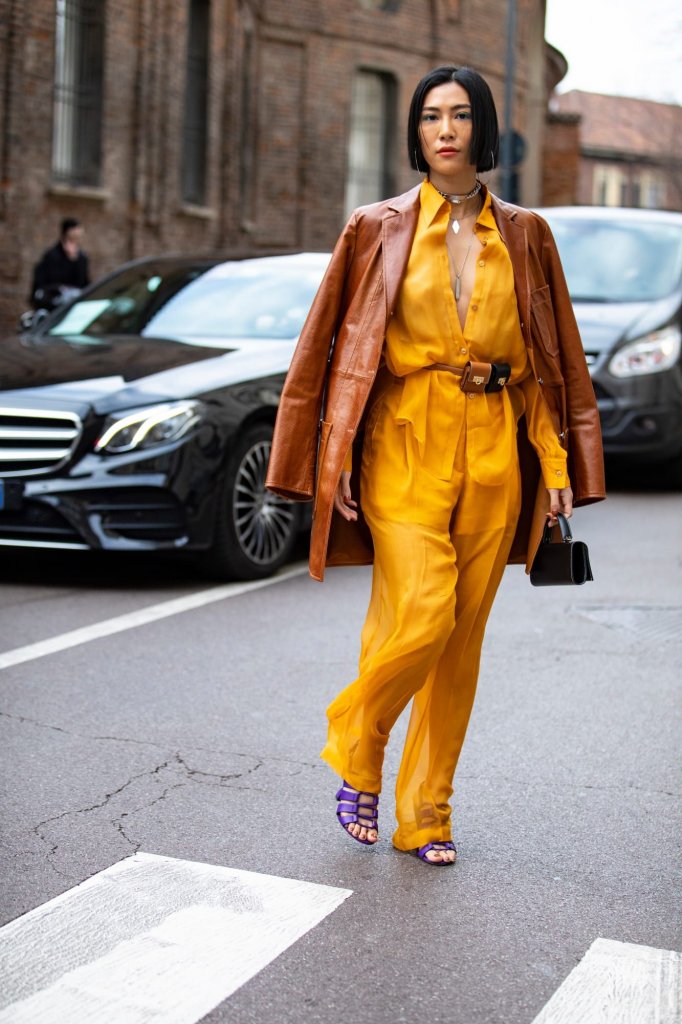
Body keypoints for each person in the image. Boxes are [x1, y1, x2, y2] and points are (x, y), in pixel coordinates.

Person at [266, 65, 605, 866]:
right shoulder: (375, 226)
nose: (443, 129)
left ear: (482, 130)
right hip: (402, 442)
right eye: (429, 117)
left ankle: (427, 814)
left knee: (461, 644)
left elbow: (548, 363)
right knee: (422, 612)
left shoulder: (525, 233)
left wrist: (554, 464)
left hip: (496, 447)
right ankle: (359, 744)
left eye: (458, 116)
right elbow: (330, 351)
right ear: (414, 134)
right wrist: (333, 450)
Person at [31, 217, 90, 310]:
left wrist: (74, 261)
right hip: (53, 303)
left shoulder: (81, 258)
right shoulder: (52, 255)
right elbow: (47, 281)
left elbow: (83, 283)